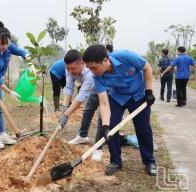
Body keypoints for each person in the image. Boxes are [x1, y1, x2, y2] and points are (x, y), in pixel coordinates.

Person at [83, 44, 156, 176]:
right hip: (117, 97)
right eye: (89, 68)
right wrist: (105, 125)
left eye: (94, 67)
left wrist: (149, 91)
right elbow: (104, 103)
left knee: (143, 128)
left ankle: (149, 162)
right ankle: (115, 161)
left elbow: (147, 68)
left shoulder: (126, 57)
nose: (92, 71)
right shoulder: (97, 77)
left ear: (105, 60)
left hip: (138, 95)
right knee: (111, 127)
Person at [0, 21, 30, 149]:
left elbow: (20, 51)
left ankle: (2, 134)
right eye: (1, 44)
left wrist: (27, 56)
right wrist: (10, 91)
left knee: (1, 108)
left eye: (6, 43)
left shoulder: (8, 46)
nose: (4, 46)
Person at [58, 49, 104, 160]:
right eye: (68, 68)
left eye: (73, 68)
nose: (70, 71)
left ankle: (98, 147)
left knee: (102, 118)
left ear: (82, 63)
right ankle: (83, 136)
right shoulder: (69, 69)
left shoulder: (89, 73)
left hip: (106, 92)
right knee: (87, 112)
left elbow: (82, 96)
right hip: (93, 92)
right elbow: (68, 87)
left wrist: (66, 114)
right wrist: (65, 106)